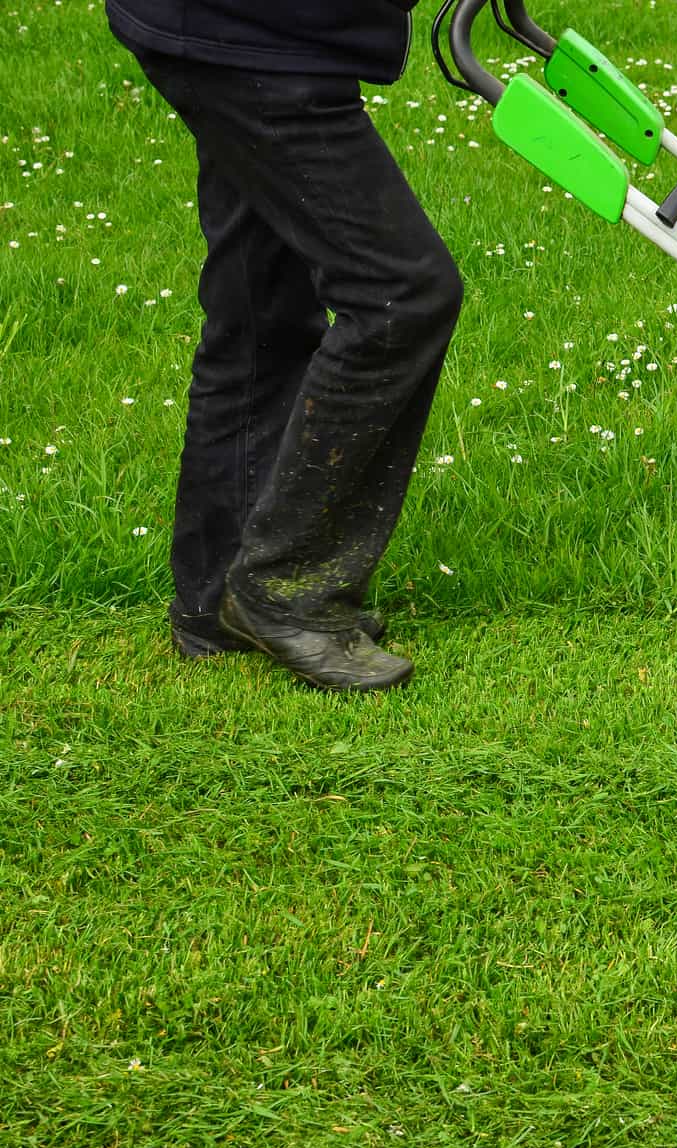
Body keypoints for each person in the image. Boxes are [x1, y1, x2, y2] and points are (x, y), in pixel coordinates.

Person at [105, 0, 460, 692]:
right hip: (245, 33)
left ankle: (214, 600)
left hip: (247, 34)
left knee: (261, 302)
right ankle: (284, 587)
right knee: (401, 294)